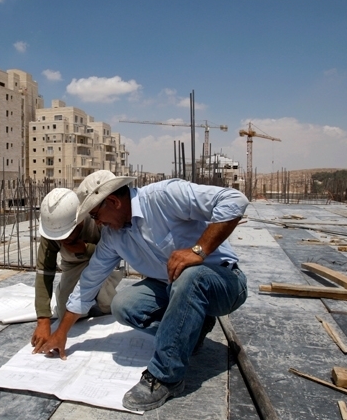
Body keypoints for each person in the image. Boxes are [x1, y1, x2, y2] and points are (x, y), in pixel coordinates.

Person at [36, 171, 249, 411]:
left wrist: (198, 250)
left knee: (191, 275)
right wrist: (61, 331)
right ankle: (192, 330)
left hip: (224, 282)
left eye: (95, 215)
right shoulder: (113, 237)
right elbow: (89, 282)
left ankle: (166, 376)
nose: (97, 223)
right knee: (123, 305)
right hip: (175, 288)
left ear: (114, 202)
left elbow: (234, 200)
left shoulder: (164, 196)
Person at [30, 187, 123, 353]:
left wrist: (85, 249)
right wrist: (43, 321)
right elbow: (45, 272)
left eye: (67, 233)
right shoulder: (52, 229)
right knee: (64, 311)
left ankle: (103, 296)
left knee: (108, 306)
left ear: (79, 219)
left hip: (104, 264)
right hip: (72, 266)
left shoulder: (97, 218)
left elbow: (116, 253)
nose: (63, 239)